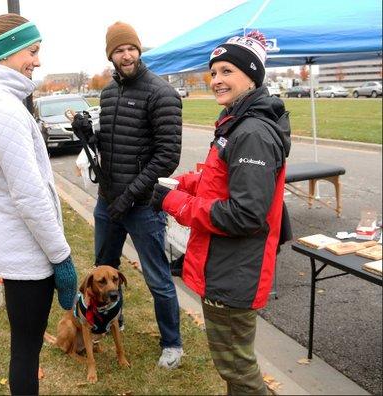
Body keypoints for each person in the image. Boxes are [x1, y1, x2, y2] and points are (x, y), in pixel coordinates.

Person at [150, 31, 291, 395]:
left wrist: (175, 203)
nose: (216, 81)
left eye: (227, 71)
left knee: (238, 370)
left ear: (252, 77)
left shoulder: (253, 132)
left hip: (235, 274)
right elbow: (220, 181)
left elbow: (245, 214)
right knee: (233, 368)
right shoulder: (237, 122)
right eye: (213, 73)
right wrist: (181, 183)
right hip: (223, 267)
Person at [0, 14, 78, 395]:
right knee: (26, 352)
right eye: (32, 51)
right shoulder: (3, 109)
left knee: (24, 348)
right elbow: (29, 196)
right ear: (8, 52)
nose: (38, 61)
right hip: (28, 254)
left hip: (21, 246)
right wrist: (61, 258)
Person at [91, 21, 184, 369]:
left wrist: (129, 196)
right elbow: (114, 145)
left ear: (139, 50)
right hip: (107, 201)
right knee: (105, 270)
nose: (125, 55)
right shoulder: (108, 93)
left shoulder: (161, 93)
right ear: (111, 56)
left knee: (158, 278)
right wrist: (89, 136)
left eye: (130, 48)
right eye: (118, 50)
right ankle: (114, 318)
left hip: (141, 205)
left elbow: (167, 157)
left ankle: (172, 344)